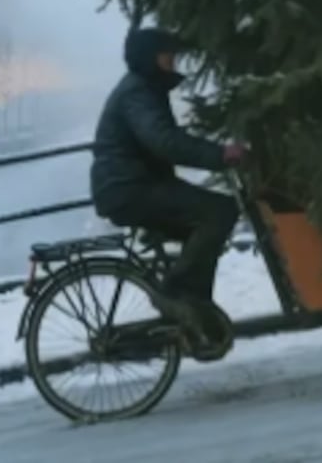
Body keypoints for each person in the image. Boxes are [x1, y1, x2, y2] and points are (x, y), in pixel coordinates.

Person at [91, 27, 245, 328]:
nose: (173, 62)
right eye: (167, 56)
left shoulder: (143, 88)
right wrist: (220, 155)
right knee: (220, 210)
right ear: (150, 59)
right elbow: (163, 141)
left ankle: (192, 310)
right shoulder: (138, 92)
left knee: (199, 223)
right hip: (130, 189)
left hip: (133, 185)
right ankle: (178, 294)